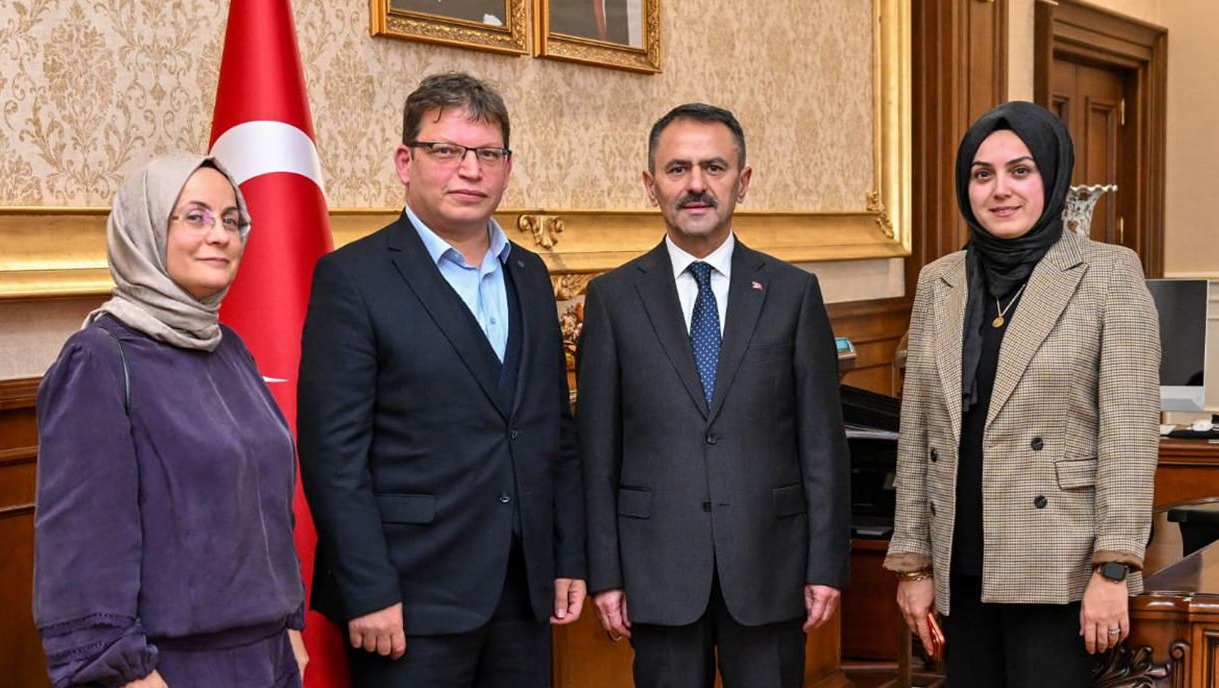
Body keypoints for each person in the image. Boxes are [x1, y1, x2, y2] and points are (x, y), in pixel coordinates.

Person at [296, 72, 586, 688]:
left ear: (507, 167)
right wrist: (368, 589)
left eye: (488, 154)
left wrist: (567, 554)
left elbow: (554, 434)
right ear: (406, 162)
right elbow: (332, 456)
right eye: (446, 150)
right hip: (407, 599)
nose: (470, 170)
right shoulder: (353, 278)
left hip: (523, 591)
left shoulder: (531, 275)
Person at [885, 101, 1161, 688]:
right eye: (982, 174)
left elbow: (1129, 436)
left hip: (1059, 564)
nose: (1000, 190)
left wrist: (1114, 569)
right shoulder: (939, 280)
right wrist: (913, 564)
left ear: (1052, 178)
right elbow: (918, 435)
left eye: (1020, 170)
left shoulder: (1108, 273)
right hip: (959, 561)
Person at [575, 103, 851, 688]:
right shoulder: (612, 299)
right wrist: (605, 572)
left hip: (771, 566)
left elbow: (823, 446)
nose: (696, 184)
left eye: (714, 168)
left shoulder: (794, 293)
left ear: (742, 182)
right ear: (651, 184)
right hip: (656, 569)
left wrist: (826, 564)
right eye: (678, 169)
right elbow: (596, 454)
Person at [33, 154, 308, 688]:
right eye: (196, 217)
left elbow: (266, 511)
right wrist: (126, 675)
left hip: (268, 659)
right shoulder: (99, 359)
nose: (220, 235)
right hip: (168, 670)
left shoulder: (230, 349)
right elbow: (81, 558)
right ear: (145, 229)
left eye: (231, 219)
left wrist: (289, 631)